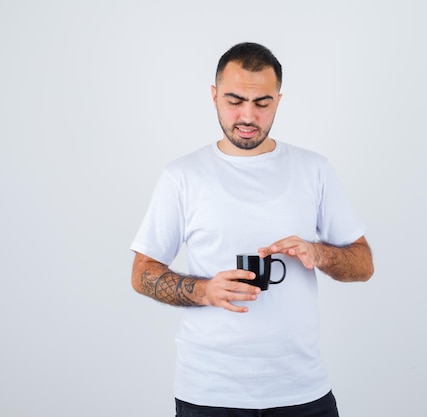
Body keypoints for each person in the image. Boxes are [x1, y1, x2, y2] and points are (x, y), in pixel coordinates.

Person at [130, 42, 374, 417]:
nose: (247, 115)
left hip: (302, 392)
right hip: (209, 394)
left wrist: (319, 252)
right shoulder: (182, 176)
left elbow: (363, 264)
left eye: (262, 103)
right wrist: (205, 290)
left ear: (278, 100)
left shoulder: (315, 170)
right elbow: (142, 272)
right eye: (234, 100)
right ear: (213, 96)